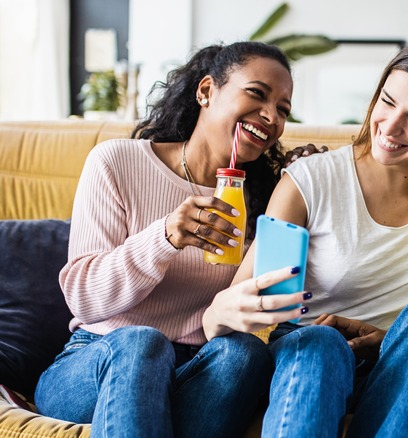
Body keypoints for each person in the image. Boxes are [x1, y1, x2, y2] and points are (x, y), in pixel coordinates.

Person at [34, 41, 310, 438]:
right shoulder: (117, 162)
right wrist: (164, 237)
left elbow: (275, 304)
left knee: (243, 355)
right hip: (99, 357)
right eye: (257, 94)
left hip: (197, 369)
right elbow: (83, 298)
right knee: (142, 344)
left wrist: (305, 188)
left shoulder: (266, 197)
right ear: (206, 91)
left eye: (283, 110)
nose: (270, 116)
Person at [202, 46, 408, 437]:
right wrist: (223, 313)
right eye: (387, 102)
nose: (391, 128)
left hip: (397, 368)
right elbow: (239, 302)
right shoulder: (312, 180)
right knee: (322, 343)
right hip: (310, 357)